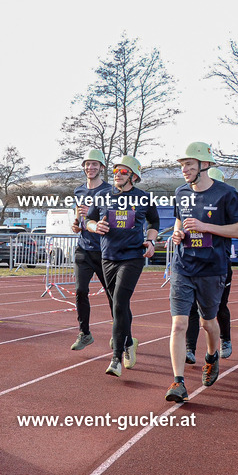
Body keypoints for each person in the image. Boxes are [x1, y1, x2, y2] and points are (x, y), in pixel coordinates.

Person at [166, 144, 238, 403]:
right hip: (183, 266)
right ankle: (178, 382)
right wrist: (176, 234)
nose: (185, 169)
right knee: (179, 324)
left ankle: (211, 357)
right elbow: (179, 224)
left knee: (207, 323)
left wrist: (206, 226)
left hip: (212, 269)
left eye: (190, 164)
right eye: (182, 165)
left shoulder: (227, 194)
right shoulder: (180, 193)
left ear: (205, 165)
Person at [85, 155, 159, 377]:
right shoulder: (101, 196)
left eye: (123, 171)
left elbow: (154, 222)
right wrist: (94, 226)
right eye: (116, 170)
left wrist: (151, 240)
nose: (117, 174)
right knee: (119, 305)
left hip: (132, 256)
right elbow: (86, 221)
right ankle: (128, 342)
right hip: (108, 256)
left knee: (119, 302)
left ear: (133, 176)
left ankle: (116, 357)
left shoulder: (143, 198)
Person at [183, 167, 238, 364]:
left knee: (218, 307)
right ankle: (189, 349)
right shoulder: (191, 202)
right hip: (192, 263)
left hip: (218, 265)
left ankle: (225, 340)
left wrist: (211, 228)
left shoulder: (227, 201)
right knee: (191, 310)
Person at [69, 149, 114, 351]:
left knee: (113, 295)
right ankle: (84, 333)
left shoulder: (110, 191)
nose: (91, 167)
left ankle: (120, 333)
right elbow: (78, 218)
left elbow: (113, 221)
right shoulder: (79, 191)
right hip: (83, 249)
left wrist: (93, 216)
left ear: (102, 167)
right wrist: (76, 223)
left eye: (95, 164)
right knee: (80, 291)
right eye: (87, 164)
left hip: (104, 251)